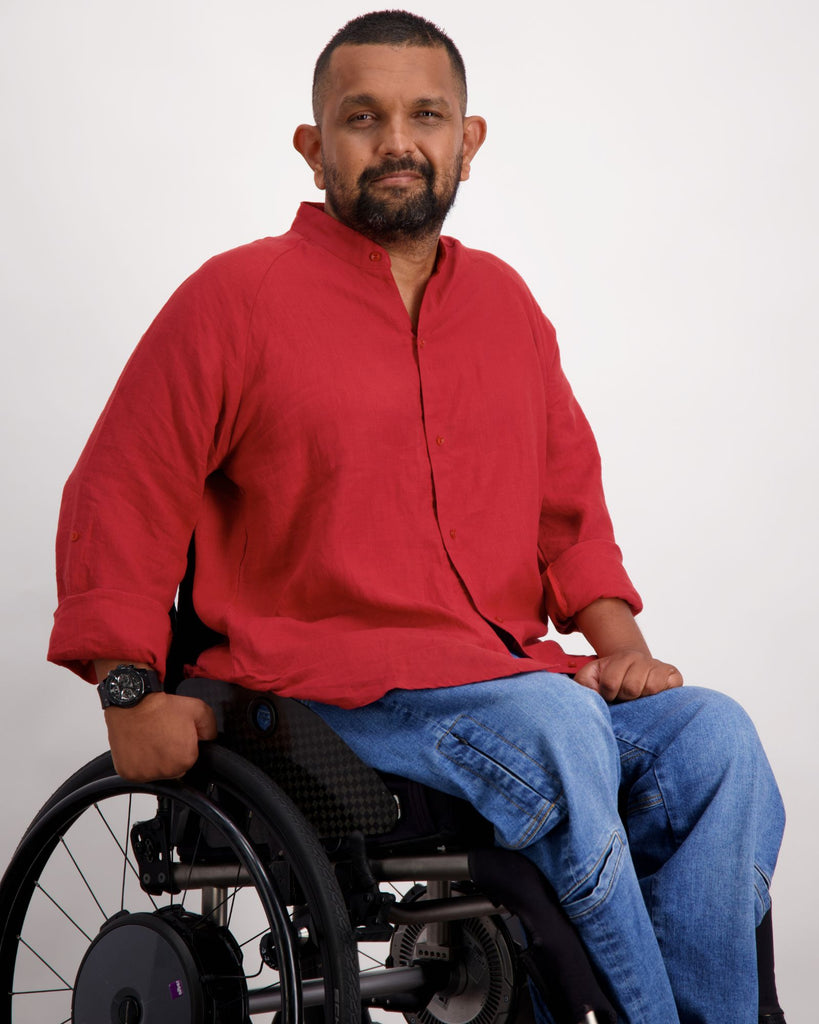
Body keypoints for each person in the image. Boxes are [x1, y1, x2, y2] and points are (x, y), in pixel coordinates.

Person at [48, 10, 785, 1024]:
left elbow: (567, 504)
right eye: (364, 116)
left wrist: (623, 647)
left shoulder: (506, 308)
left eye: (426, 114)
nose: (398, 140)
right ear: (314, 149)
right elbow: (120, 490)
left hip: (502, 678)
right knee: (561, 726)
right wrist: (129, 691)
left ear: (466, 143)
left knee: (715, 739)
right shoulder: (234, 300)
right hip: (327, 689)